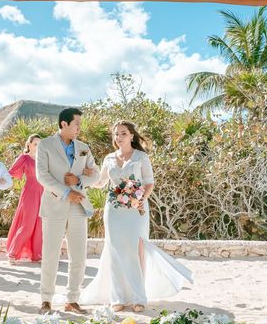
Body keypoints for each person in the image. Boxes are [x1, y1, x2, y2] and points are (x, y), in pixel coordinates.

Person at [80, 121, 192, 311]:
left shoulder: (141, 157)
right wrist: (88, 177)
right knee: (115, 251)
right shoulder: (109, 158)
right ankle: (118, 298)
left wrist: (140, 200)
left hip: (136, 210)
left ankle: (139, 298)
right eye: (116, 134)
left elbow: (149, 183)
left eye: (123, 133)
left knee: (136, 250)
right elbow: (101, 182)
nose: (119, 137)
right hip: (114, 210)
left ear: (132, 135)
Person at [36, 108, 100, 314]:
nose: (79, 128)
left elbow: (96, 174)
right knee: (50, 254)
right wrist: (66, 192)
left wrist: (80, 180)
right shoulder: (45, 145)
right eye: (77, 124)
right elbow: (42, 176)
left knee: (79, 256)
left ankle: (72, 299)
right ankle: (46, 299)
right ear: (64, 124)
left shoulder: (84, 147)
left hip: (79, 206)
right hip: (54, 205)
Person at [6, 134, 43, 263]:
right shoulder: (25, 158)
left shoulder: (43, 159)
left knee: (40, 223)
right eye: (35, 144)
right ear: (29, 145)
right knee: (28, 223)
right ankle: (13, 253)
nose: (38, 147)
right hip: (30, 192)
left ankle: (37, 255)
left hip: (44, 192)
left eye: (40, 144)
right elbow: (11, 172)